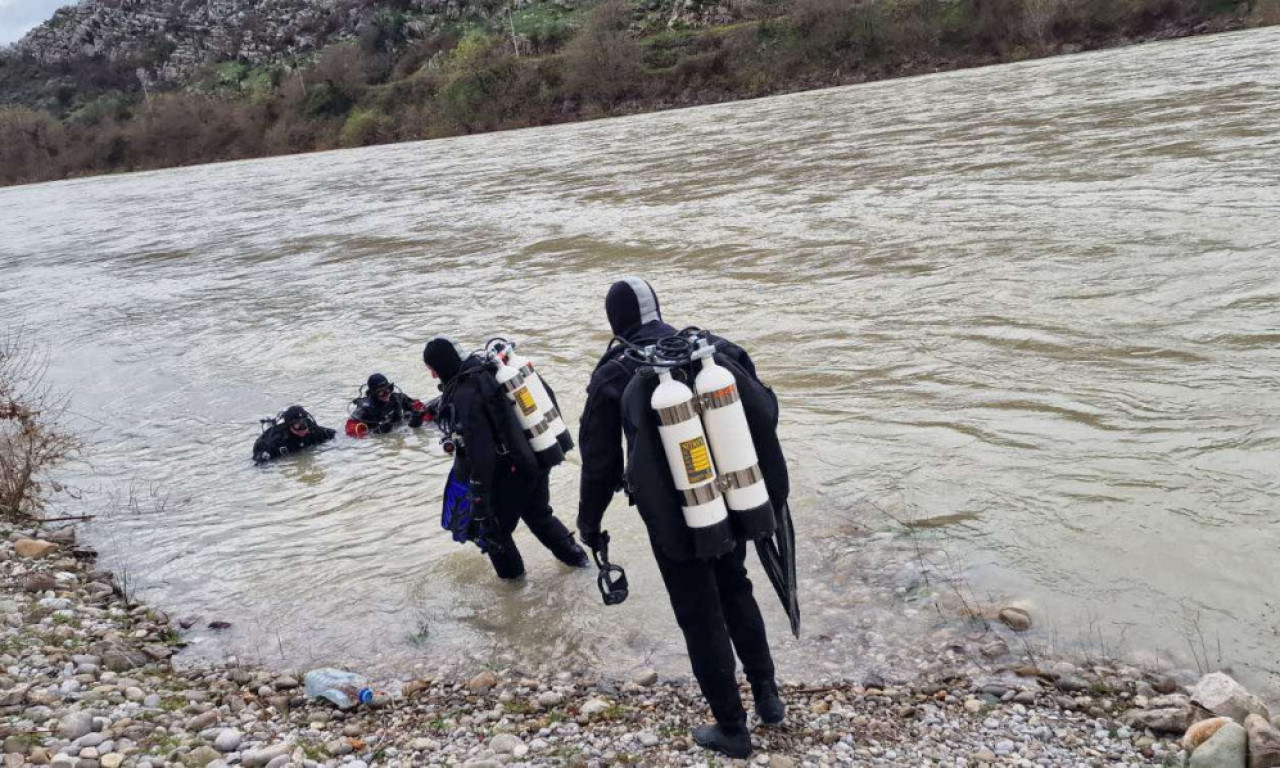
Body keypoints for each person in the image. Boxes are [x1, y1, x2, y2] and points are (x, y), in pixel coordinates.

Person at [576, 278, 786, 759]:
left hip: (672, 518)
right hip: (733, 496)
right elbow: (766, 411)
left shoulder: (613, 373)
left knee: (698, 612)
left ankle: (733, 729)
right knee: (736, 587)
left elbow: (599, 461)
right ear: (659, 309)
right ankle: (769, 699)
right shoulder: (710, 349)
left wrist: (589, 525)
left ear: (615, 321)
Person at [423, 336, 589, 578]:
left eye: (433, 371)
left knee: (494, 532)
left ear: (440, 367)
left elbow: (482, 454)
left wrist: (480, 499)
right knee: (539, 516)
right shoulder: (490, 370)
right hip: (537, 453)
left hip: (513, 469)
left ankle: (515, 596)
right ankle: (583, 566)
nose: (433, 377)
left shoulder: (465, 394)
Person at [345, 372, 432, 437]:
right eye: (381, 392)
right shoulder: (365, 408)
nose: (387, 394)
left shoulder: (397, 398)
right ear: (373, 393)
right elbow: (351, 431)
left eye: (389, 389)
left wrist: (422, 416)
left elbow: (419, 407)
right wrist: (376, 432)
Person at [252, 405, 336, 463]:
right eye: (297, 425)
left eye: (304, 424)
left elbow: (334, 435)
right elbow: (259, 451)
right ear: (289, 425)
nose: (302, 428)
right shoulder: (278, 440)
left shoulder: (313, 431)